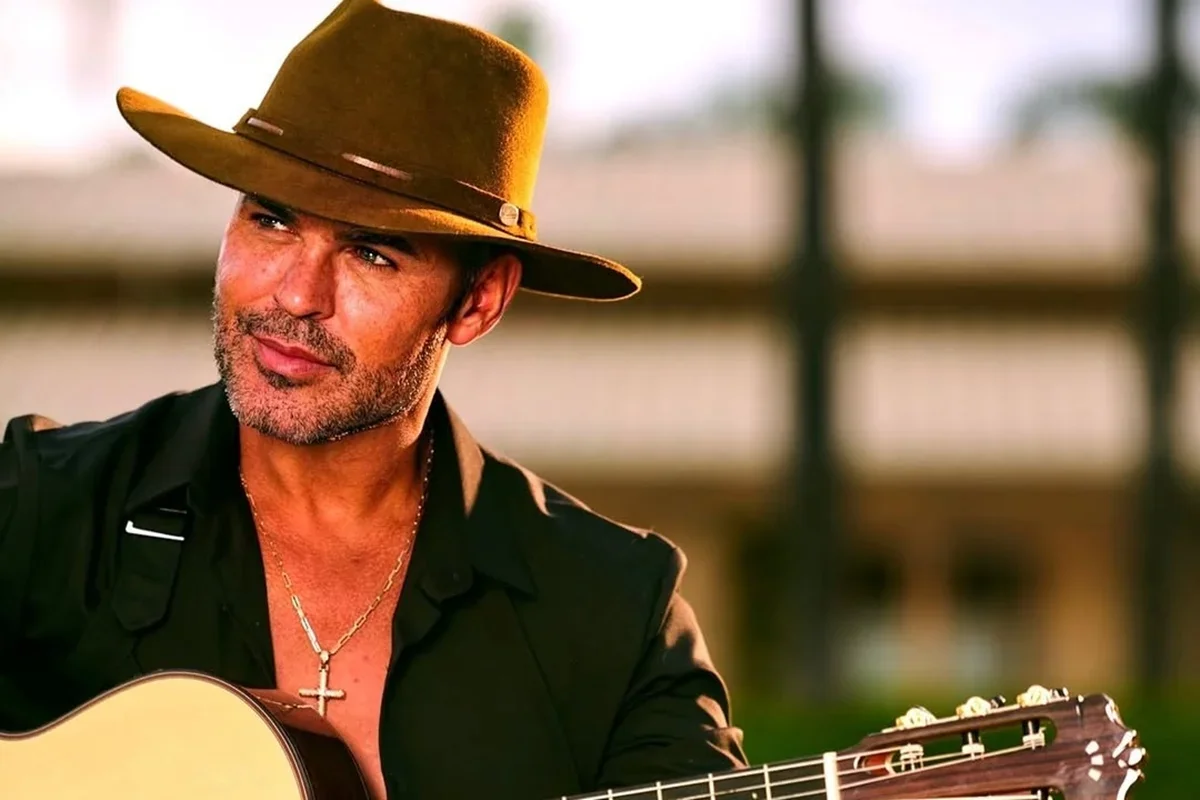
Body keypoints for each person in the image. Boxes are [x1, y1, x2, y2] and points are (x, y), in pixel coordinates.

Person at [0, 2, 746, 798]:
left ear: (478, 301)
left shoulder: (614, 613)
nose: (297, 295)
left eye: (372, 255)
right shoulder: (39, 510)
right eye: (271, 220)